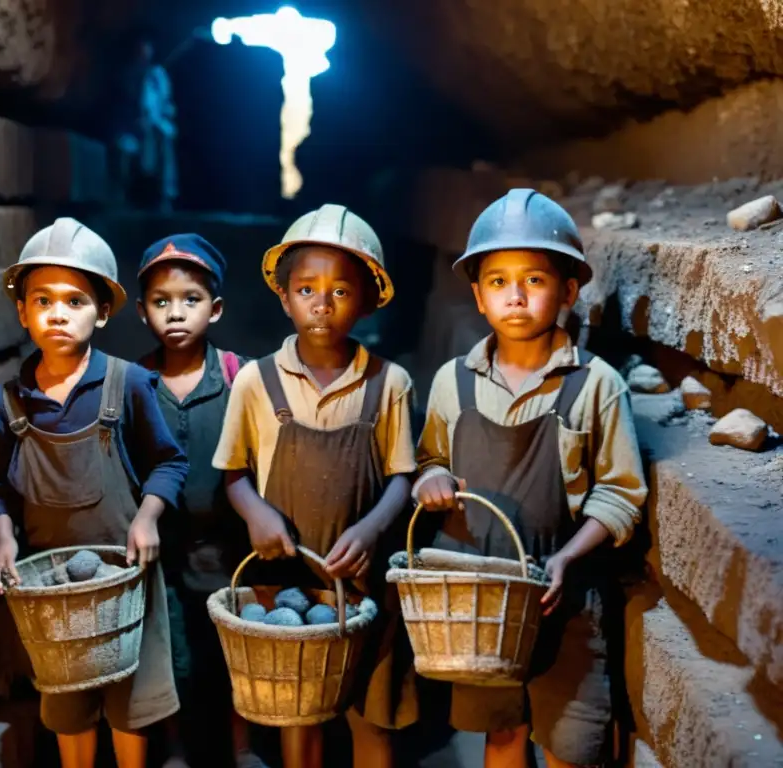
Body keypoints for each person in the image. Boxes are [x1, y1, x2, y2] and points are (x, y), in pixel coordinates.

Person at [413, 189, 648, 768]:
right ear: (477, 293)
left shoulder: (595, 387)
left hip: (560, 596)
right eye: (497, 281)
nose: (515, 297)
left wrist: (568, 558)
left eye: (535, 280)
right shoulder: (453, 383)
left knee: (572, 743)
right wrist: (431, 480)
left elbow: (620, 495)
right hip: (478, 597)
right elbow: (428, 461)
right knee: (502, 734)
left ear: (568, 291)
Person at [212, 204, 419, 768]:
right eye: (306, 289)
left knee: (372, 716)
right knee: (298, 713)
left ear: (370, 300)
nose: (321, 304)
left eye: (341, 291)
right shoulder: (256, 381)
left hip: (363, 576)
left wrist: (372, 530)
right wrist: (256, 514)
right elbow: (233, 475)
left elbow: (403, 476)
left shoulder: (389, 383)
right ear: (283, 297)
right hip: (287, 578)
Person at [0, 218, 188, 768]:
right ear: (22, 310)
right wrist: (4, 538)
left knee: (130, 703)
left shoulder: (131, 385)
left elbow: (170, 461)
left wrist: (147, 517)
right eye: (42, 299)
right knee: (68, 701)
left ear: (103, 310)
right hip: (52, 587)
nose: (57, 313)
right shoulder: (8, 403)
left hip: (125, 574)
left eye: (75, 300)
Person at [134, 233, 261, 768]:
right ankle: (175, 751)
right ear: (142, 313)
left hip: (228, 548)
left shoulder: (241, 377)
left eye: (191, 299)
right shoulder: (135, 383)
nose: (176, 314)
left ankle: (243, 746)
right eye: (161, 302)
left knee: (239, 654)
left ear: (217, 308)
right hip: (163, 551)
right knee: (168, 656)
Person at [113, 32, 178, 213]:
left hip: (155, 129)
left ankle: (165, 197)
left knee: (165, 139)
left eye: (147, 47)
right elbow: (121, 107)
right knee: (123, 146)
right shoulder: (127, 75)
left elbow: (166, 106)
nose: (144, 51)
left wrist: (163, 121)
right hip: (131, 129)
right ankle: (122, 198)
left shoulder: (158, 76)